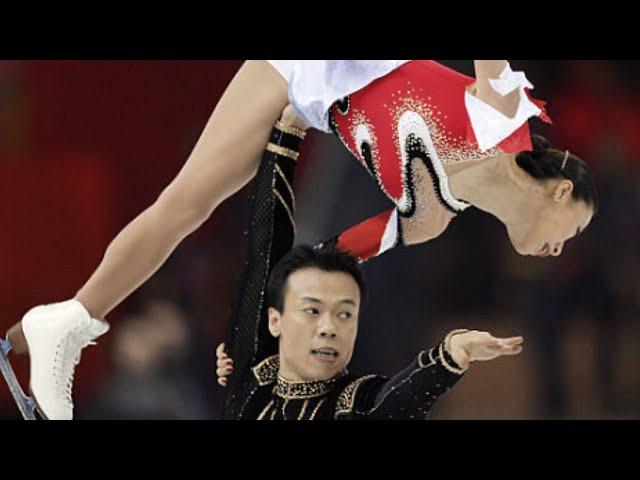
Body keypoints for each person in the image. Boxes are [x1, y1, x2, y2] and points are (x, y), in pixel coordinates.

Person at [1, 60, 596, 420]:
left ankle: (67, 322)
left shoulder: (430, 215)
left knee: (184, 206)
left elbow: (312, 265)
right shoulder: (503, 116)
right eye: (575, 232)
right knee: (184, 205)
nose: (562, 249)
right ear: (561, 194)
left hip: (303, 90)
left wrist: (256, 333)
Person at [216, 244, 524, 420]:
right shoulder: (250, 380)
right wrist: (286, 134)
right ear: (275, 321)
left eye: (345, 314)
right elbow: (262, 246)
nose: (329, 328)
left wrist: (451, 356)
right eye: (312, 311)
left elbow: (398, 399)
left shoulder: (353, 402)